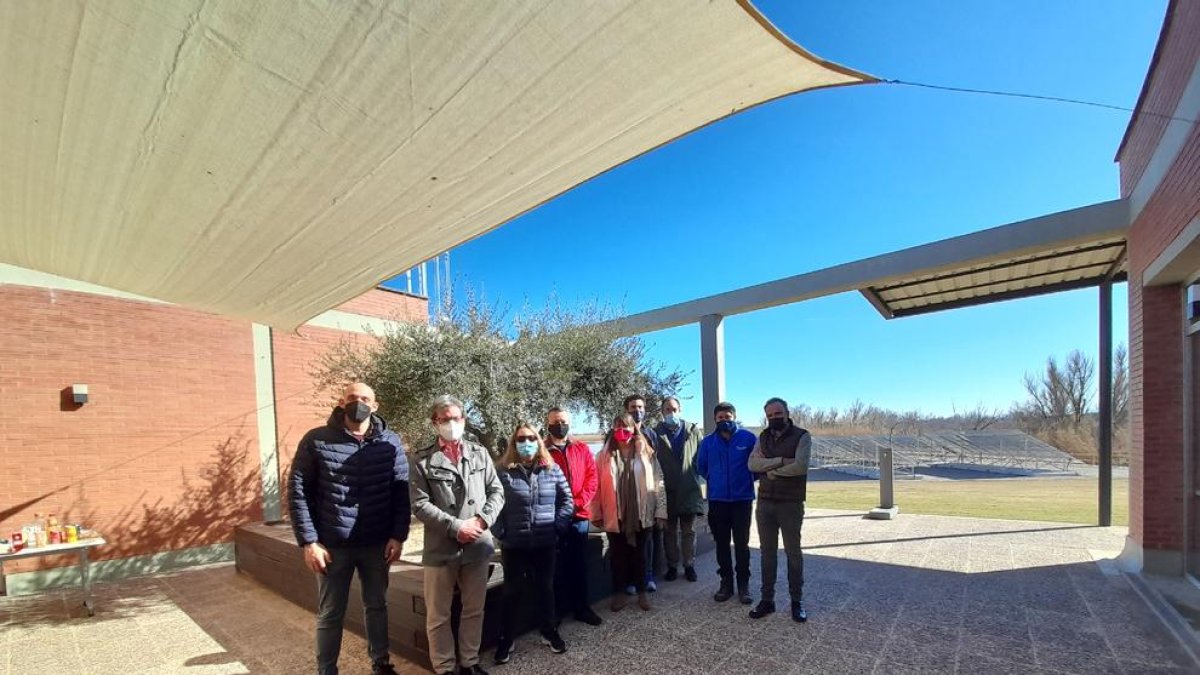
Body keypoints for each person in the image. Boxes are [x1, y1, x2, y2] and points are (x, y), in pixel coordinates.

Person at [289, 382, 409, 675]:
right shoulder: (317, 439)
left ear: (375, 405)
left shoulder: (390, 441)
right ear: (342, 402)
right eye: (352, 398)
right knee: (331, 612)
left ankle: (381, 663)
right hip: (332, 546)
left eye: (365, 398)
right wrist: (309, 541)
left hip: (377, 544)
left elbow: (400, 492)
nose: (359, 403)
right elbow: (298, 491)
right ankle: (326, 670)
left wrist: (398, 536)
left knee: (377, 605)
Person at [410, 395, 505, 675]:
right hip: (441, 547)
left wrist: (482, 520)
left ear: (463, 420)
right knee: (438, 615)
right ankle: (444, 667)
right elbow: (419, 504)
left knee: (474, 609)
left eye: (456, 418)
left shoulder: (479, 453)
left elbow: (497, 491)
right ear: (435, 423)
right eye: (444, 419)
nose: (451, 423)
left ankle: (470, 662)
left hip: (477, 544)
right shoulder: (421, 460)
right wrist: (456, 527)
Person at [492, 423, 574, 664]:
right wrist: (501, 532)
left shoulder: (551, 468)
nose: (526, 442)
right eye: (520, 439)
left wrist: (558, 526)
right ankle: (506, 638)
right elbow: (491, 504)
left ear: (538, 441)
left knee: (545, 589)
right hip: (514, 545)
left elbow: (567, 501)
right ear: (513, 443)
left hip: (544, 543)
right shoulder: (502, 471)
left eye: (530, 438)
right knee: (511, 592)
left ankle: (549, 631)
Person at [590, 412, 666, 612]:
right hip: (614, 514)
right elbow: (595, 486)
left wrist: (661, 510)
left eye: (626, 427)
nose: (622, 431)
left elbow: (659, 482)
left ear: (634, 429)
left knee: (640, 556)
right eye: (618, 427)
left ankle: (642, 593)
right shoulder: (603, 456)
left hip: (642, 513)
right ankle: (620, 593)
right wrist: (595, 512)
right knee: (618, 557)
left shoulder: (647, 453)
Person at [747, 398, 811, 622]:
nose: (774, 418)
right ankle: (767, 600)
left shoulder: (802, 436)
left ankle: (796, 601)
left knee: (793, 553)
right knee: (767, 553)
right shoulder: (762, 437)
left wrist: (771, 470)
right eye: (770, 415)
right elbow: (752, 464)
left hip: (790, 503)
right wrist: (782, 460)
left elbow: (800, 466)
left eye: (778, 413)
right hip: (765, 502)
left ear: (787, 413)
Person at [543, 407, 604, 626]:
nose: (560, 425)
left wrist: (576, 503)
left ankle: (582, 608)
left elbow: (592, 479)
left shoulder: (581, 448)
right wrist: (558, 509)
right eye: (556, 422)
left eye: (563, 421)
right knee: (555, 565)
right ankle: (557, 611)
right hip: (552, 518)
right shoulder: (542, 451)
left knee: (579, 564)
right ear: (548, 425)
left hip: (578, 516)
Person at [695, 401, 757, 605]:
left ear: (734, 417)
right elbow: (701, 467)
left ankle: (743, 585)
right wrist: (716, 480)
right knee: (721, 545)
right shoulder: (707, 442)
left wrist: (745, 480)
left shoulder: (748, 438)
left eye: (728, 417)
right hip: (718, 501)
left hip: (742, 500)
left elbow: (756, 466)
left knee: (742, 544)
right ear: (715, 419)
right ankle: (726, 584)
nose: (724, 420)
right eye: (720, 417)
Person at [651, 396, 704, 583]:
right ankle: (672, 566)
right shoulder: (655, 433)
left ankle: (689, 565)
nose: (671, 413)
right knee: (669, 532)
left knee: (689, 531)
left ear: (679, 410)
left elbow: (702, 456)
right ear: (662, 412)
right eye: (667, 409)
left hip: (689, 490)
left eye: (674, 409)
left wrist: (694, 474)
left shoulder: (692, 431)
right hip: (666, 491)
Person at [623, 394, 669, 592]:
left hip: (648, 497)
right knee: (629, 540)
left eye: (640, 407)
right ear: (627, 410)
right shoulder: (620, 432)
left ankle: (648, 575)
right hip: (627, 498)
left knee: (649, 540)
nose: (637, 411)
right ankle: (631, 579)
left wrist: (660, 503)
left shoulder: (651, 434)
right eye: (633, 407)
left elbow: (656, 466)